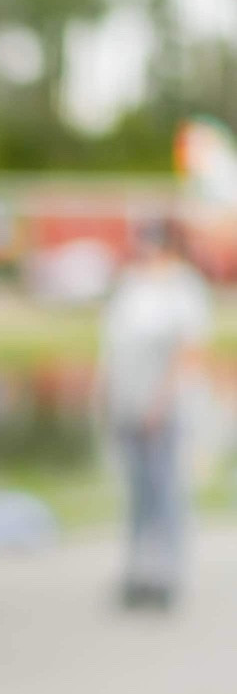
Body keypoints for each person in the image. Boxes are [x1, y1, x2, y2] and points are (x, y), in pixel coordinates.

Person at [100, 220, 212, 609]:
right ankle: (137, 570)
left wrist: (159, 403)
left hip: (164, 407)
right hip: (127, 403)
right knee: (136, 492)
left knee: (165, 490)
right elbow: (114, 347)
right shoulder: (133, 286)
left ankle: (167, 573)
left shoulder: (183, 288)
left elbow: (188, 351)